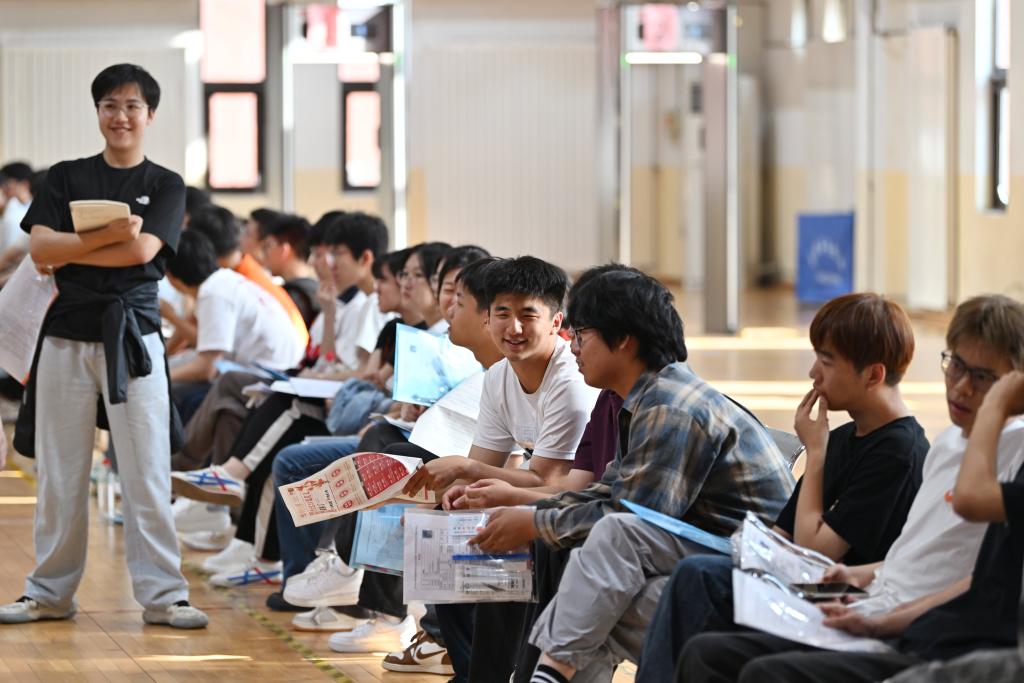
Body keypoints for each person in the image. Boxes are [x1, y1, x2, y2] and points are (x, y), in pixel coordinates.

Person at [678, 294, 1024, 683]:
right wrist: (860, 575)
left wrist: (816, 454)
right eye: (955, 365)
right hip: (868, 596)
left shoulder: (911, 451)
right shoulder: (942, 441)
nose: (960, 387)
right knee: (702, 625)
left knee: (743, 649)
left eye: (982, 378)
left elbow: (816, 549)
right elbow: (917, 553)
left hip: (904, 621)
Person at [0, 63, 206, 629]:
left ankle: (165, 596)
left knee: (146, 470)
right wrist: (108, 235)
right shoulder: (67, 176)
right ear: (98, 112)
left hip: (134, 338)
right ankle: (49, 592)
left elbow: (142, 253)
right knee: (61, 473)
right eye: (110, 105)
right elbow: (40, 249)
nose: (121, 116)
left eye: (132, 106)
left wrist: (75, 245)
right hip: (65, 334)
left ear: (150, 115)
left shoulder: (165, 184)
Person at [636, 292, 931, 681]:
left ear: (873, 375)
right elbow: (784, 535)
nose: (813, 372)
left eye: (827, 361)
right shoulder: (843, 437)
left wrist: (816, 455)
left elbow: (816, 552)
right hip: (807, 582)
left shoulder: (897, 451)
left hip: (847, 598)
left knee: (699, 587)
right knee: (695, 576)